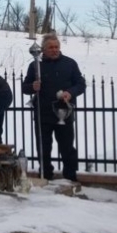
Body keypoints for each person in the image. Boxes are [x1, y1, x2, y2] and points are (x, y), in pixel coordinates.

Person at [22, 34, 86, 181]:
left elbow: (80, 84)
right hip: (42, 114)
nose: (54, 50)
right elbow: (24, 88)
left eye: (56, 47)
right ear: (43, 49)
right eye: (51, 47)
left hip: (64, 112)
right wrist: (32, 86)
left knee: (67, 148)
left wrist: (70, 92)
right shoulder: (35, 65)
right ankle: (46, 176)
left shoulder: (70, 64)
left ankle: (70, 176)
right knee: (43, 148)